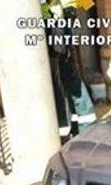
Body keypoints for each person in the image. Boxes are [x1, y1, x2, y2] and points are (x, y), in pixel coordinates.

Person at [41, 0, 97, 139]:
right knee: (64, 79)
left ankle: (77, 130)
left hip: (57, 19)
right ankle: (75, 128)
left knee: (62, 79)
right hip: (55, 19)